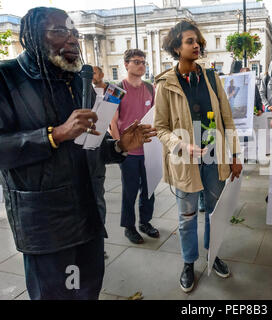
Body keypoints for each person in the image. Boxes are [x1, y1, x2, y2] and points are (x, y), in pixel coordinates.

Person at [0, 7, 156, 299]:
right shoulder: (6, 78)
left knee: (88, 291)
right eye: (60, 31)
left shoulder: (76, 80)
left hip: (88, 214)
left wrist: (120, 145)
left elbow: (88, 145)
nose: (72, 40)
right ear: (31, 36)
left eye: (74, 33)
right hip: (45, 224)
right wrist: (54, 134)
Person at [154, 19, 242, 293]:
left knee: (214, 212)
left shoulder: (212, 78)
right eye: (190, 41)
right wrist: (181, 145)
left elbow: (227, 120)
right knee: (188, 215)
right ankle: (188, 263)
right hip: (184, 160)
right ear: (176, 48)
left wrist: (235, 154)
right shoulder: (165, 84)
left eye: (198, 41)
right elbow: (160, 128)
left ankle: (212, 255)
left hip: (215, 157)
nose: (197, 45)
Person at [109, 49, 159, 244]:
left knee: (149, 189)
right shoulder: (115, 89)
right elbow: (112, 123)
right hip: (129, 151)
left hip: (149, 149)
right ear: (126, 64)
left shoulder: (150, 88)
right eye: (136, 61)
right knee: (130, 191)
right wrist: (121, 147)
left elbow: (155, 116)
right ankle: (129, 227)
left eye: (143, 62)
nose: (141, 65)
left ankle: (145, 222)